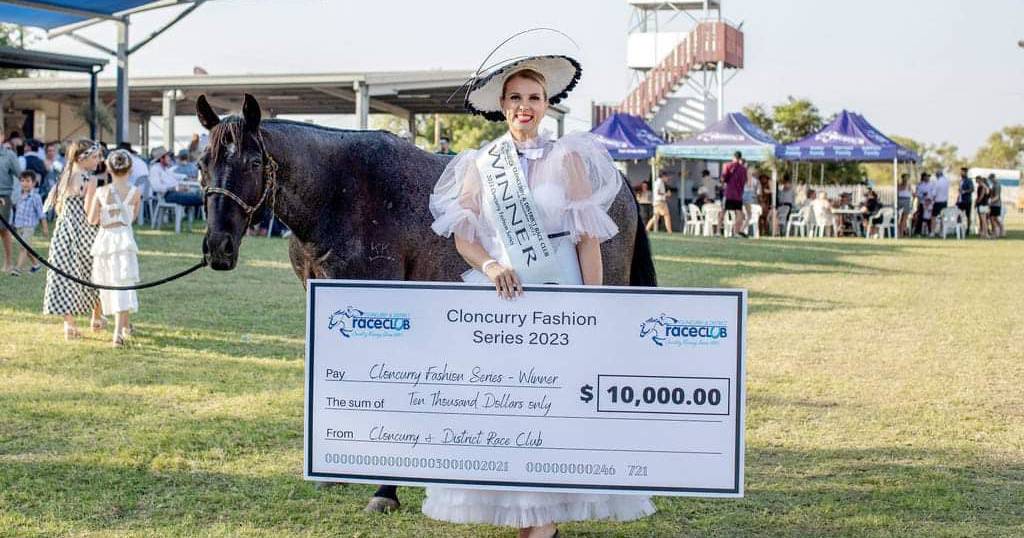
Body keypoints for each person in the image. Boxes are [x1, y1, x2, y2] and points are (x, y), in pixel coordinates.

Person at [426, 55, 655, 537]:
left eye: (534, 98)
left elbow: (588, 238)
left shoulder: (567, 157)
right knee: (508, 410)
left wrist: (593, 304)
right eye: (515, 98)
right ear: (502, 106)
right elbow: (464, 236)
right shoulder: (481, 164)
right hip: (503, 298)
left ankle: (544, 523)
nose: (524, 106)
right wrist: (489, 265)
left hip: (562, 293)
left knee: (557, 404)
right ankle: (533, 521)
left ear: (546, 105)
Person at [42, 139, 105, 340]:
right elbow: (90, 212)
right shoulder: (88, 179)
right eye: (95, 157)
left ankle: (68, 324)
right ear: (81, 158)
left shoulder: (66, 175)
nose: (98, 160)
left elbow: (57, 205)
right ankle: (96, 316)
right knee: (96, 272)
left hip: (64, 230)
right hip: (86, 231)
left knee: (64, 275)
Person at [87, 149, 141, 347]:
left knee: (109, 282)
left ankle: (121, 328)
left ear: (108, 168)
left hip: (105, 240)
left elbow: (92, 219)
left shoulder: (101, 192)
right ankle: (121, 329)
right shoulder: (136, 192)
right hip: (124, 240)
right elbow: (132, 218)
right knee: (123, 283)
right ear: (130, 169)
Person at [10, 170, 49, 275]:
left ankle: (17, 269)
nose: (25, 183)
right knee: (26, 248)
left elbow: (41, 214)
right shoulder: (19, 195)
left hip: (29, 226)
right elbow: (14, 206)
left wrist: (45, 228)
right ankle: (36, 265)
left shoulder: (35, 197)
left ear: (34, 183)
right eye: (22, 181)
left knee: (23, 247)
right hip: (18, 226)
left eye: (28, 181)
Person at [148, 146, 203, 215]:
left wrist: (186, 178)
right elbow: (156, 187)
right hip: (167, 195)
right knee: (197, 198)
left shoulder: (165, 169)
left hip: (173, 193)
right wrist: (175, 188)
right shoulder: (155, 169)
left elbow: (176, 176)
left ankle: (202, 201)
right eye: (168, 156)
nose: (170, 158)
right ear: (161, 158)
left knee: (195, 195)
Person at [0, 128, 22, 272]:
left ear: (1, 137)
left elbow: (19, 174)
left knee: (3, 229)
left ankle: (8, 263)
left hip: (2, 197)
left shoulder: (9, 155)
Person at [721, 151, 747, 237]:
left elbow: (724, 178)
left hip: (728, 193)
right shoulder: (743, 169)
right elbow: (744, 181)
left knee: (723, 210)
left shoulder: (727, 165)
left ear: (733, 157)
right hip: (738, 194)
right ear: (740, 158)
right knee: (739, 212)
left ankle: (717, 231)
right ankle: (736, 232)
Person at [930, 170, 950, 237]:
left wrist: (931, 200)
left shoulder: (937, 182)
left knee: (933, 217)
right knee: (942, 217)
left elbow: (934, 193)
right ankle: (942, 232)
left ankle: (932, 231)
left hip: (938, 201)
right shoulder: (946, 181)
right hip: (944, 202)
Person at [913, 172, 932, 237]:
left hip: (930, 203)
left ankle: (930, 232)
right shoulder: (920, 185)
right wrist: (923, 195)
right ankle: (918, 232)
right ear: (923, 177)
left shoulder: (931, 184)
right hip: (922, 203)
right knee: (920, 218)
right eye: (926, 176)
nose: (928, 178)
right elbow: (917, 194)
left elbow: (933, 193)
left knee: (929, 218)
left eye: (928, 177)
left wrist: (930, 200)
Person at [956, 168, 973, 237]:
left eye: (963, 172)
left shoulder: (969, 180)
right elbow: (959, 191)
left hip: (967, 201)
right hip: (960, 201)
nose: (961, 173)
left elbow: (972, 189)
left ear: (966, 173)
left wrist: (965, 191)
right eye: (961, 172)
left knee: (968, 215)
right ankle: (959, 229)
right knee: (958, 215)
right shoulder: (960, 181)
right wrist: (957, 199)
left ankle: (968, 230)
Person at [987, 174, 1003, 238]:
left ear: (993, 178)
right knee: (995, 219)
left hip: (996, 204)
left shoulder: (997, 185)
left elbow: (997, 196)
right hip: (994, 204)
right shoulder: (994, 185)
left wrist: (990, 202)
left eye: (991, 179)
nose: (990, 180)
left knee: (992, 218)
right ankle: (1001, 230)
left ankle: (995, 233)